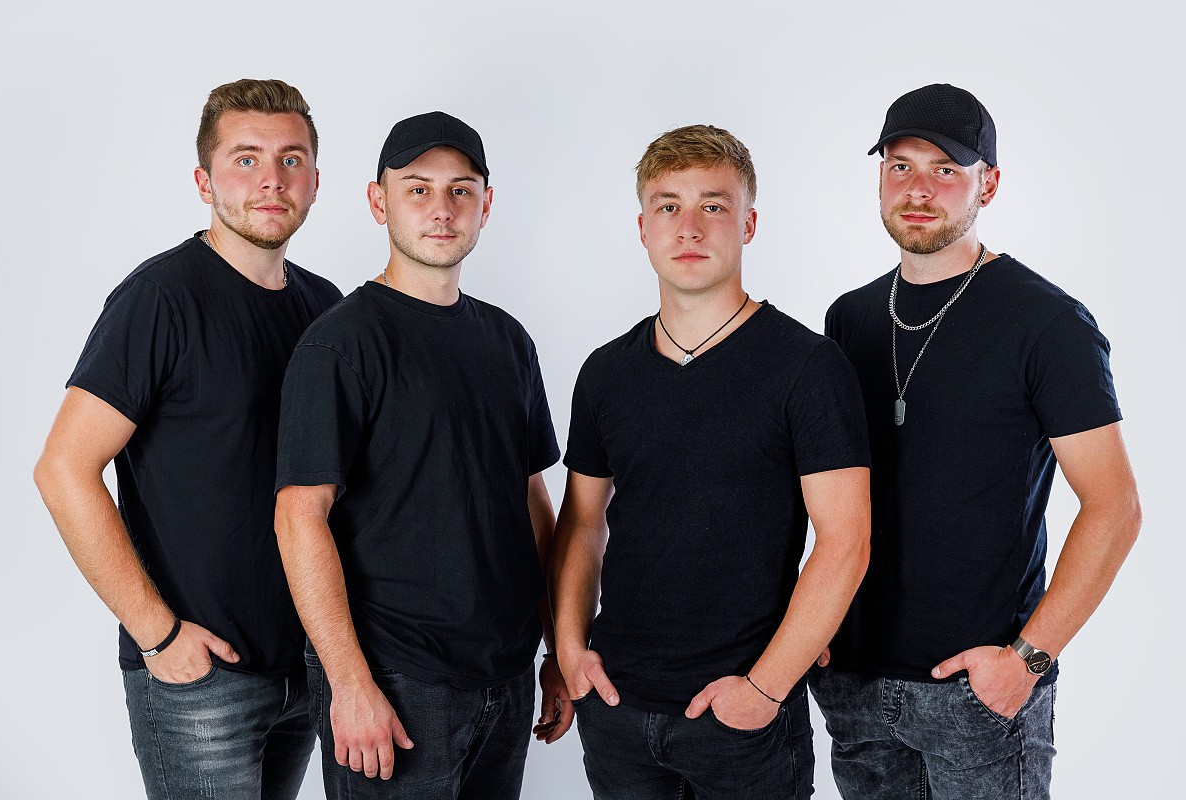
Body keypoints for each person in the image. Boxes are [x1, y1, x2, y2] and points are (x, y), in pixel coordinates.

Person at [810, 83, 1142, 799]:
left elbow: (1114, 506)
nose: (918, 189)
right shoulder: (849, 319)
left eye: (945, 169)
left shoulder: (1048, 323)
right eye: (900, 166)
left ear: (987, 185)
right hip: (855, 685)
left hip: (977, 691)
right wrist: (813, 627)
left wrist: (1028, 660)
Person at [33, 78, 342, 799]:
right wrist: (159, 634)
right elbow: (63, 469)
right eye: (246, 159)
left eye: (291, 159)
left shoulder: (325, 308)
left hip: (308, 668)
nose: (271, 179)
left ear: (315, 182)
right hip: (200, 679)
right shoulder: (159, 298)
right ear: (204, 181)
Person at [551, 124, 872, 800]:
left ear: (749, 224)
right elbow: (582, 523)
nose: (689, 227)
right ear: (643, 228)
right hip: (617, 710)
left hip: (745, 720)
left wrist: (766, 689)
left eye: (714, 206)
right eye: (668, 206)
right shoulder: (606, 372)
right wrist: (570, 648)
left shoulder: (808, 367)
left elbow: (846, 540)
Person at [273, 111, 569, 800]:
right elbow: (298, 518)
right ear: (378, 202)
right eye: (417, 189)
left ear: (486, 206)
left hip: (505, 677)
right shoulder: (341, 344)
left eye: (461, 190)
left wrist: (559, 646)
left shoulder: (508, 341)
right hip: (396, 683)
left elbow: (533, 503)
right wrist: (350, 684)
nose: (442, 209)